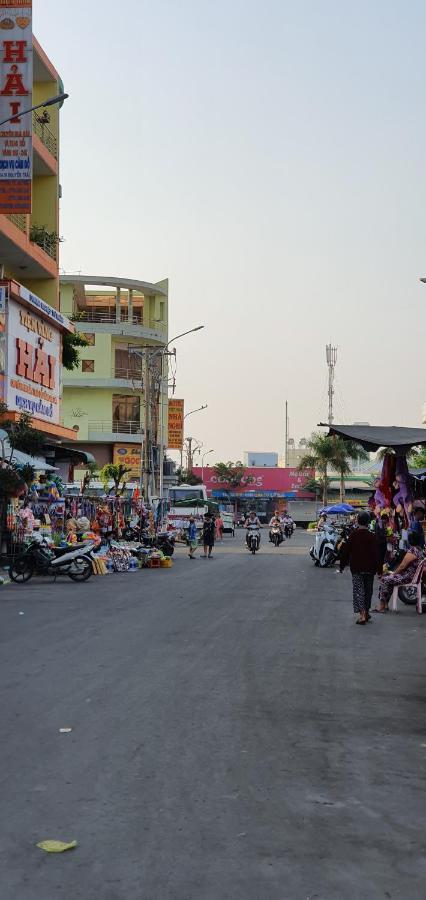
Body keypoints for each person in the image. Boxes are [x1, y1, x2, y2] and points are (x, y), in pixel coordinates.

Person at [340, 511, 379, 625]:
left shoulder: (353, 535)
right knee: (368, 591)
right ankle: (366, 612)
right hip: (370, 569)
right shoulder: (372, 536)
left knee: (358, 591)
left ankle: (362, 615)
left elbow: (346, 551)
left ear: (358, 521)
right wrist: (380, 569)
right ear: (368, 522)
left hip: (356, 568)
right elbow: (377, 554)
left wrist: (342, 566)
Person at [375, 531, 425, 612]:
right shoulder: (420, 550)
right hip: (413, 576)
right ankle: (386, 604)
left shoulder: (413, 551)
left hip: (408, 577)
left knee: (384, 579)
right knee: (388, 578)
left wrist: (394, 574)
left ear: (409, 540)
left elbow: (402, 566)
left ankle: (381, 606)